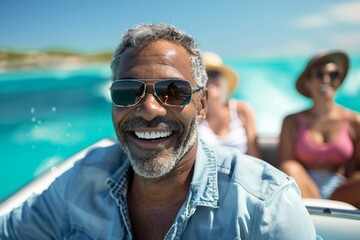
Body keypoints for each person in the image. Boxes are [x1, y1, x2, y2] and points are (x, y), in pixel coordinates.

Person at [0, 23, 317, 239]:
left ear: (202, 104)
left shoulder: (265, 207)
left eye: (173, 91)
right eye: (127, 91)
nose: (150, 108)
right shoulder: (82, 180)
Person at [278, 50, 360, 208]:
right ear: (308, 83)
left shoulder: (354, 121)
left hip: (341, 192)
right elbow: (285, 168)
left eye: (334, 74)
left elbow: (357, 171)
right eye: (320, 74)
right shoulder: (292, 121)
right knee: (290, 167)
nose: (327, 79)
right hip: (303, 190)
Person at [198, 52, 262, 158]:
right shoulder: (194, 116)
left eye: (214, 74)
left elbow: (255, 155)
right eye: (204, 75)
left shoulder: (242, 110)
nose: (209, 79)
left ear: (223, 80)